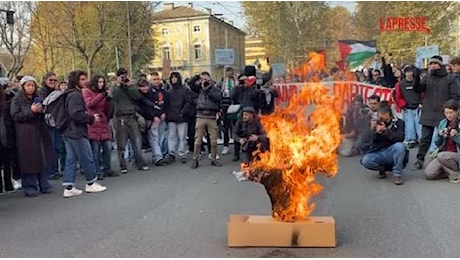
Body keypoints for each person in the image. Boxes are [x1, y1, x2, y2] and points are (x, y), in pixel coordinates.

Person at [61, 70, 107, 198]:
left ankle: (69, 186)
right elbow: (76, 114)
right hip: (76, 131)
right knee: (87, 156)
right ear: (75, 81)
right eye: (82, 79)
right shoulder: (75, 95)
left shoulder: (68, 94)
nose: (85, 81)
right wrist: (91, 118)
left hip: (68, 131)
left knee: (71, 159)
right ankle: (91, 182)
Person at [412, 55, 460, 170]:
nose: (432, 66)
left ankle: (442, 161)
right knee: (424, 139)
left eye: (434, 63)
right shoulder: (428, 77)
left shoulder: (450, 78)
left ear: (440, 65)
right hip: (428, 112)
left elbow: (456, 96)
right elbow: (418, 89)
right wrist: (416, 78)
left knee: (443, 138)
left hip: (443, 114)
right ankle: (419, 160)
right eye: (430, 64)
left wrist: (449, 108)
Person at [10, 76, 54, 197]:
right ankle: (30, 186)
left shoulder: (38, 97)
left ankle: (44, 184)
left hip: (40, 131)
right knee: (29, 159)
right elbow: (15, 115)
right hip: (26, 133)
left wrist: (42, 111)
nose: (30, 88)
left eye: (32, 85)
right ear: (23, 86)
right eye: (28, 85)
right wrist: (31, 111)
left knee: (43, 157)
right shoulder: (17, 100)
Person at [112, 67, 149, 174]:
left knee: (137, 142)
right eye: (121, 76)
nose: (124, 78)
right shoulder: (115, 87)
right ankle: (123, 165)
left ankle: (140, 163)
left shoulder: (131, 85)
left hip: (132, 116)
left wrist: (130, 85)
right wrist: (118, 85)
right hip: (120, 118)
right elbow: (114, 97)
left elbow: (137, 96)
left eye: (125, 75)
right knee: (121, 144)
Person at [360, 104, 408, 185]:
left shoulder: (399, 123)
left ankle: (397, 174)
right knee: (366, 161)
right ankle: (382, 169)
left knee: (400, 146)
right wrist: (372, 130)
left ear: (390, 115)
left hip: (392, 151)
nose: (383, 121)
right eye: (381, 118)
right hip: (378, 151)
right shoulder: (373, 122)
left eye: (385, 119)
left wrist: (385, 131)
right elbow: (364, 140)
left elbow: (400, 138)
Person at [82, 74, 118, 180]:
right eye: (99, 82)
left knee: (107, 147)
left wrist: (108, 100)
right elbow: (90, 104)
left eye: (102, 82)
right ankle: (96, 171)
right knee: (95, 150)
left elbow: (107, 110)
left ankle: (107, 168)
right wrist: (102, 95)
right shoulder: (87, 91)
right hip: (93, 122)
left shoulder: (102, 93)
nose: (101, 84)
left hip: (103, 122)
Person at [189, 72, 222, 169]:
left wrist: (208, 90)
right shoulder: (199, 88)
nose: (205, 82)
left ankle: (213, 159)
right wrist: (197, 77)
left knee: (214, 141)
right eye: (203, 80)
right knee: (198, 140)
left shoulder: (215, 89)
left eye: (207, 80)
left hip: (212, 116)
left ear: (210, 79)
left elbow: (218, 98)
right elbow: (191, 84)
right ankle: (195, 160)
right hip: (200, 116)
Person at [424, 100, 460, 183]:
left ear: (457, 111)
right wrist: (440, 136)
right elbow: (437, 143)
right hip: (445, 153)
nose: (448, 115)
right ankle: (450, 172)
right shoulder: (443, 123)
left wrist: (456, 136)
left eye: (451, 113)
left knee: (441, 156)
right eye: (446, 113)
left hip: (456, 153)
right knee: (429, 173)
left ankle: (455, 174)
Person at [38, 72, 62, 180]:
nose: (52, 82)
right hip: (47, 123)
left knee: (57, 147)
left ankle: (56, 169)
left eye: (54, 80)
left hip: (56, 122)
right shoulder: (41, 92)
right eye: (50, 80)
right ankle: (50, 170)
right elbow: (46, 104)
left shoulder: (55, 91)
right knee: (50, 147)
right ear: (45, 80)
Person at [164, 72, 191, 164]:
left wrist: (183, 112)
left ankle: (182, 153)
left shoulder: (185, 90)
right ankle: (171, 154)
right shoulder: (169, 91)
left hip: (182, 117)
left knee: (182, 136)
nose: (174, 79)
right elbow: (166, 105)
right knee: (171, 136)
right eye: (172, 78)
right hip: (171, 117)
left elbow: (188, 102)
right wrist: (167, 115)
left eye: (175, 77)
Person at [394, 65, 422, 148]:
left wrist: (421, 103)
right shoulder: (400, 84)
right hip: (407, 107)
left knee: (419, 124)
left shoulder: (417, 82)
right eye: (407, 72)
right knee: (409, 125)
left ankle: (421, 139)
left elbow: (422, 93)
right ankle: (410, 140)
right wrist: (403, 105)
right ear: (404, 73)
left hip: (418, 107)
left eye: (411, 72)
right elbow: (398, 96)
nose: (409, 74)